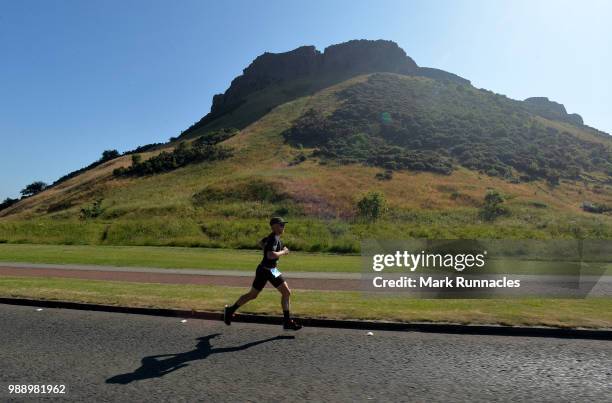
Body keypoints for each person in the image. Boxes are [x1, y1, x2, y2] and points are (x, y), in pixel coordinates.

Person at [224, 217, 302, 330]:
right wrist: (284, 252)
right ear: (274, 226)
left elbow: (260, 243)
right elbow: (270, 255)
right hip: (269, 270)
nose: (283, 226)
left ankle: (230, 310)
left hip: (265, 269)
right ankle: (287, 322)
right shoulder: (273, 239)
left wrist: (266, 248)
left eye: (283, 224)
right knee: (286, 292)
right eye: (281, 224)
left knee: (253, 295)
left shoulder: (272, 238)